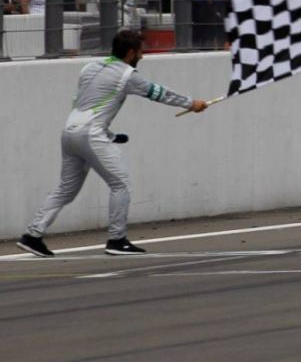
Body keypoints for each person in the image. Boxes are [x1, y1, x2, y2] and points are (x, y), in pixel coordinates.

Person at [16, 30, 209, 258]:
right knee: (121, 183)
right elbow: (158, 93)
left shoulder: (90, 67)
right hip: (90, 134)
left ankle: (32, 235)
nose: (142, 56)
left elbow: (86, 102)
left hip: (70, 131)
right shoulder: (127, 74)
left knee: (65, 189)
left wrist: (109, 135)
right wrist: (191, 103)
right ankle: (117, 240)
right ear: (129, 53)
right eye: (140, 52)